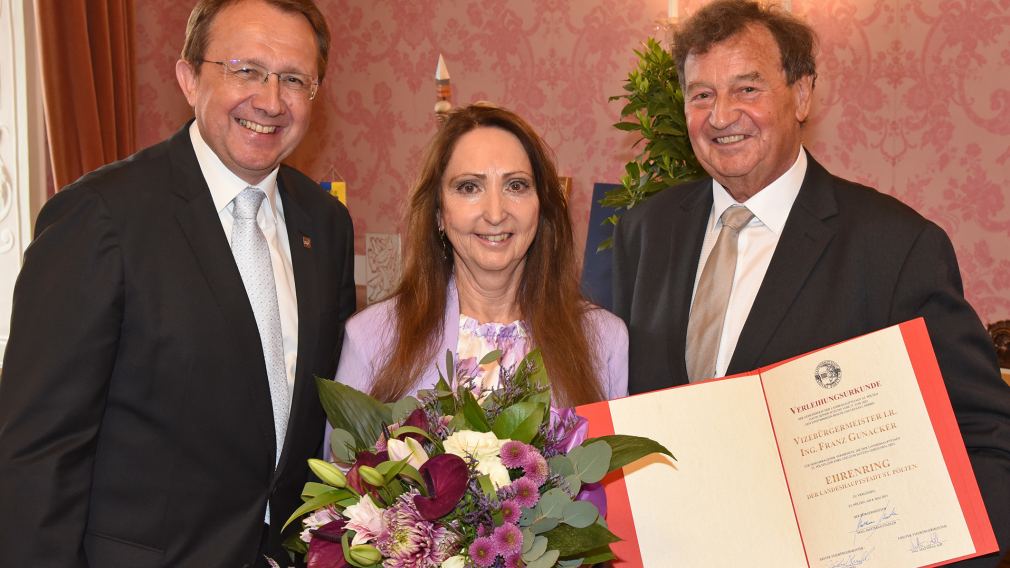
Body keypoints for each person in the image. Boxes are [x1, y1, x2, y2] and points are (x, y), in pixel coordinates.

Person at [612, 1, 1010, 565]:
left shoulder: (894, 247)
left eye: (746, 89)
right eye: (701, 94)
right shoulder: (644, 232)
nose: (721, 116)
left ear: (801, 95)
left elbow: (984, 438)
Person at [0, 0, 355, 566]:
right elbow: (39, 454)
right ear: (189, 77)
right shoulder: (99, 217)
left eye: (293, 79)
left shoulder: (326, 224)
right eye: (245, 70)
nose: (269, 100)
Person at [336, 104, 627, 406]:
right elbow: (342, 453)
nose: (495, 213)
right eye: (469, 187)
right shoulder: (372, 338)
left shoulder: (604, 340)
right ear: (439, 213)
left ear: (542, 207)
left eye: (516, 185)